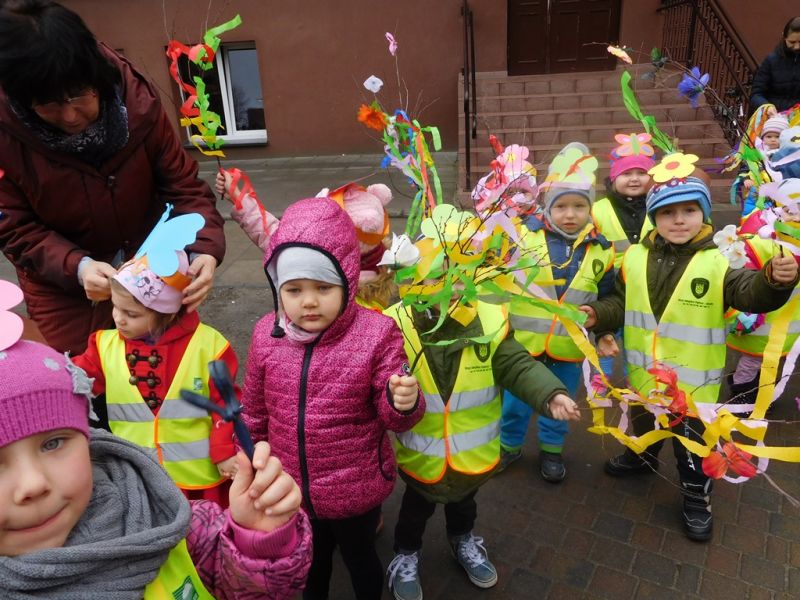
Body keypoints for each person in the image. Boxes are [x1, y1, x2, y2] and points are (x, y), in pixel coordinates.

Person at [580, 168, 799, 541]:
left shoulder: (719, 260)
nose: (678, 220)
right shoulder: (634, 257)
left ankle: (697, 497)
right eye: (667, 212)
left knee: (692, 447)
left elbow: (748, 292)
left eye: (689, 210)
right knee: (644, 425)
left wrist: (773, 281)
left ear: (704, 214)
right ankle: (642, 457)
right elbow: (620, 301)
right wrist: (599, 315)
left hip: (693, 386)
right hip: (643, 375)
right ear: (654, 217)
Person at [0, 337, 312, 599]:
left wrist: (258, 539)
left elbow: (250, 585)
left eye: (53, 443)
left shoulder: (171, 517)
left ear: (88, 440)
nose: (33, 484)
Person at [0, 0, 225, 354]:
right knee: (81, 371)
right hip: (62, 285)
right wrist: (77, 267)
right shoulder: (7, 135)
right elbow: (14, 226)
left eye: (79, 95)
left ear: (97, 78)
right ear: (21, 100)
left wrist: (205, 249)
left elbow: (183, 187)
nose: (70, 115)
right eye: (49, 105)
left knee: (167, 362)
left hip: (149, 265)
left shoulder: (137, 104)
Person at [241, 196, 424, 600]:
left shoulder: (377, 334)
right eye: (294, 289)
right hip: (290, 489)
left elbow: (395, 417)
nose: (308, 301)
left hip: (356, 488)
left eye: (323, 287)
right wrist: (249, 462)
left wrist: (403, 401)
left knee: (361, 559)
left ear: (348, 281)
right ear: (277, 287)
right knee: (311, 564)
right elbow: (253, 411)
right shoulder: (266, 335)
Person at [383, 253, 581, 598]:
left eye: (459, 277)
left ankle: (462, 540)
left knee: (464, 505)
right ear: (413, 280)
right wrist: (392, 392)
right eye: (435, 278)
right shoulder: (394, 324)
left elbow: (517, 365)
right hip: (422, 456)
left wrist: (550, 393)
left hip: (470, 456)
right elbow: (378, 377)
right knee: (415, 510)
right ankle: (407, 553)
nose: (448, 288)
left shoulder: (490, 320)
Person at [73, 247, 239, 507]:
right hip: (139, 476)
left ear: (167, 313)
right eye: (115, 307)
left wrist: (224, 450)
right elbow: (74, 380)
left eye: (132, 314)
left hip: (196, 479)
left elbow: (226, 404)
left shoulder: (209, 346)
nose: (118, 319)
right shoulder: (104, 346)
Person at [498, 143, 615, 483]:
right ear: (547, 206)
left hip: (567, 348)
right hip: (524, 345)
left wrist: (604, 328)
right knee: (515, 403)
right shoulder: (522, 237)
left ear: (590, 208)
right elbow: (499, 278)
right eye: (561, 206)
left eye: (579, 206)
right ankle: (508, 446)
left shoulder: (601, 250)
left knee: (561, 403)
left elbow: (607, 296)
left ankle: (551, 450)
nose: (570, 214)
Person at [216, 170, 397, 311]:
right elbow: (277, 233)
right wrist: (238, 197)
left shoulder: (360, 310)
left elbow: (275, 237)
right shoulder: (378, 263)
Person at [750, 16, 800, 115]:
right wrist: (766, 106)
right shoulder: (771, 61)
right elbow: (756, 94)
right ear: (784, 37)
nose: (797, 46)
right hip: (774, 117)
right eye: (792, 42)